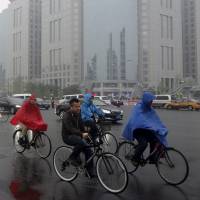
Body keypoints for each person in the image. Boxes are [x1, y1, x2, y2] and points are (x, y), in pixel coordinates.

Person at [122, 92, 168, 164]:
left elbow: (155, 119)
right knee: (143, 143)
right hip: (137, 129)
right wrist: (150, 126)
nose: (151, 102)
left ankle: (152, 159)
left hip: (145, 129)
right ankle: (135, 158)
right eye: (150, 101)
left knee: (155, 139)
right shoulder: (138, 107)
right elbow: (139, 120)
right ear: (146, 100)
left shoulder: (150, 109)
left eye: (152, 101)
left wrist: (161, 126)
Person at [62, 98, 95, 178]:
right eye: (76, 107)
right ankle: (72, 158)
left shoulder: (78, 113)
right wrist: (82, 134)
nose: (79, 108)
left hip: (77, 136)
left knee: (89, 150)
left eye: (79, 106)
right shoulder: (66, 115)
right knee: (81, 142)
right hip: (68, 136)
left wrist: (87, 133)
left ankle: (89, 171)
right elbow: (70, 129)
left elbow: (81, 125)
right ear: (71, 107)